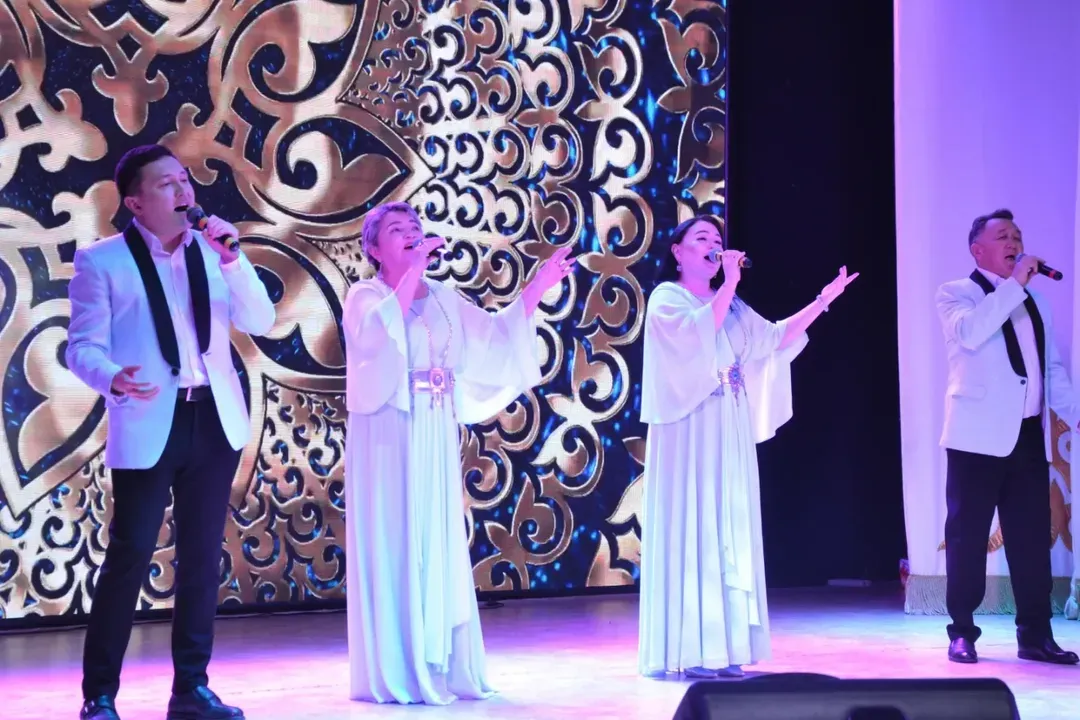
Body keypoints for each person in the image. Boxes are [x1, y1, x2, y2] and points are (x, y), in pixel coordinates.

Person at [66, 144, 276, 720]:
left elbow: (262, 321)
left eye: (185, 180)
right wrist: (111, 376)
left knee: (202, 557)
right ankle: (99, 695)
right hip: (149, 416)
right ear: (136, 202)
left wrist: (233, 260)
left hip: (213, 418)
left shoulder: (213, 252)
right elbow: (81, 346)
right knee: (130, 553)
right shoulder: (102, 262)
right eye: (166, 184)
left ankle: (191, 689)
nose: (183, 191)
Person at [342, 201, 575, 704]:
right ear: (374, 248)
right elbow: (376, 338)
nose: (411, 233)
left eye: (415, 227)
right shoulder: (365, 295)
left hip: (435, 425)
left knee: (435, 530)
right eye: (398, 230)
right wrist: (412, 272)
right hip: (390, 429)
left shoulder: (445, 297)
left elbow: (496, 336)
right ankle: (399, 662)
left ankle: (440, 659)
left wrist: (540, 284)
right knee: (399, 531)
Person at [637, 215, 857, 679]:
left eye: (717, 239)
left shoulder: (731, 303)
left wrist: (823, 301)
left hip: (729, 424)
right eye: (701, 238)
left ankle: (727, 646)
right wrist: (730, 283)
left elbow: (773, 338)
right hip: (690, 426)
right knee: (696, 525)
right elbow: (695, 338)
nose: (713, 246)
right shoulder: (667, 299)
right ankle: (691, 649)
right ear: (677, 251)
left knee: (728, 526)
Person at [936, 208, 1079, 665]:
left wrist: (1076, 415)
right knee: (967, 538)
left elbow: (1050, 368)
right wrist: (1015, 284)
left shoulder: (1035, 302)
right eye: (1003, 236)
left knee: (1031, 540)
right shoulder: (956, 293)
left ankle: (1035, 635)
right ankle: (962, 632)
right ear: (977, 250)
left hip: (1027, 436)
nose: (1014, 241)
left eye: (1017, 235)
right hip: (975, 440)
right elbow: (972, 334)